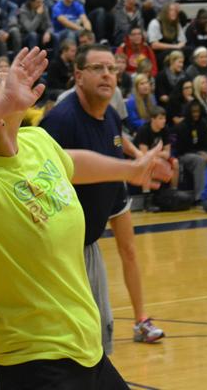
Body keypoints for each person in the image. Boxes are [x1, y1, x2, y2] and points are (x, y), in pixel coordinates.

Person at [0, 48, 170, 388]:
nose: (8, 78)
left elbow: (71, 163)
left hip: (86, 351)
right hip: (35, 365)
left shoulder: (34, 141)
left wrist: (131, 169)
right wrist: (5, 100)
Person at [41, 44, 167, 355]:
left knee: (129, 253)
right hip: (64, 246)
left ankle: (141, 319)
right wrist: (130, 167)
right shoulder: (60, 120)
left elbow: (115, 135)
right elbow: (46, 175)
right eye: (98, 68)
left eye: (112, 69)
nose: (107, 75)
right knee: (76, 339)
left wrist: (137, 155)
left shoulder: (109, 112)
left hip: (104, 204)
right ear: (78, 76)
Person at [174, 99, 207, 199]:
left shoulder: (202, 124)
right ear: (189, 112)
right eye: (193, 112)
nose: (196, 114)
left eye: (198, 112)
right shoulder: (182, 127)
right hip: (185, 155)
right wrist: (200, 153)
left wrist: (206, 153)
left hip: (201, 152)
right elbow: (182, 148)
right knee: (199, 161)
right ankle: (200, 196)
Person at [134, 106, 178, 193]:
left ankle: (173, 192)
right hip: (140, 159)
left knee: (175, 163)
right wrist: (160, 155)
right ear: (153, 119)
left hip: (156, 157)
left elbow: (167, 153)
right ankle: (147, 197)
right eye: (160, 118)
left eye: (164, 118)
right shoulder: (144, 130)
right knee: (150, 164)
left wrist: (157, 154)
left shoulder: (165, 129)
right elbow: (144, 154)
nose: (164, 121)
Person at [147, 3, 186, 69]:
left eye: (175, 11)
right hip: (159, 53)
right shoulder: (155, 23)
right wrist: (175, 47)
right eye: (171, 10)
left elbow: (183, 41)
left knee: (191, 51)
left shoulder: (177, 24)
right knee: (174, 53)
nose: (174, 13)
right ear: (165, 12)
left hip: (174, 49)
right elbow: (154, 45)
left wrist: (178, 46)